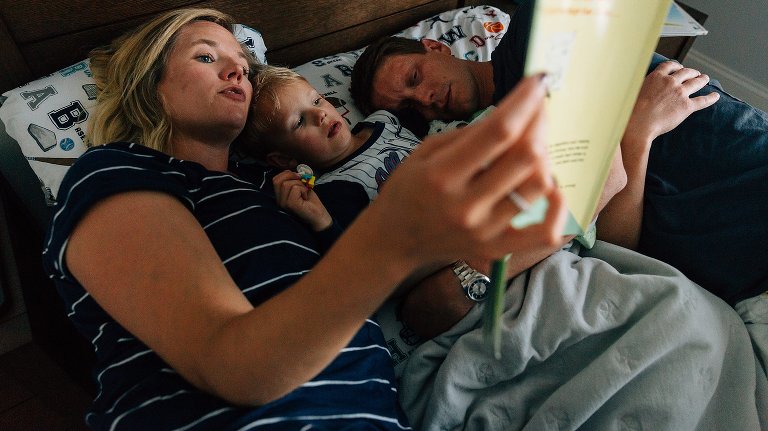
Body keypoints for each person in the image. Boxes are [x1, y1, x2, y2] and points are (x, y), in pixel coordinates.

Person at [41, 7, 572, 430]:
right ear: (149, 83)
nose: (236, 72)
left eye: (243, 67)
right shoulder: (114, 172)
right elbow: (232, 365)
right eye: (206, 58)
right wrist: (396, 237)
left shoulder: (281, 191)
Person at [235, 65, 768, 430]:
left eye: (319, 101)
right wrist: (323, 220)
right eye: (299, 121)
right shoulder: (334, 194)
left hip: (569, 269)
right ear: (282, 159)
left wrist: (630, 142)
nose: (323, 114)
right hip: (490, 291)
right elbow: (386, 285)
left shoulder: (423, 131)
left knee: (700, 329)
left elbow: (608, 246)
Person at [349, 0, 768, 310]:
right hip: (728, 278)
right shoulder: (493, 138)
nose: (425, 98)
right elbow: (621, 242)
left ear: (436, 48)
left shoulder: (537, 28)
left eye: (415, 77)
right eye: (409, 109)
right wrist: (635, 134)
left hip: (746, 168)